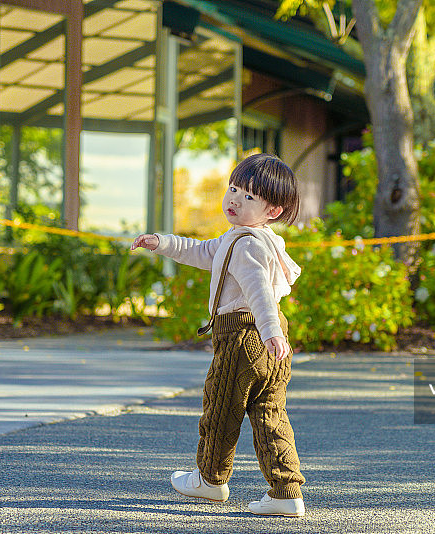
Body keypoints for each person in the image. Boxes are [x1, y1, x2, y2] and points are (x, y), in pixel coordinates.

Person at [131, 153, 306, 517]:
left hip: (244, 336)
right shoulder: (249, 239)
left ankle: (210, 479)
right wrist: (160, 242)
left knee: (221, 408)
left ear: (272, 210)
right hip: (271, 338)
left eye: (249, 197)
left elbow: (258, 289)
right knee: (270, 412)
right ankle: (286, 490)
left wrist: (269, 330)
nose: (234, 199)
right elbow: (201, 250)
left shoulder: (246, 245)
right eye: (233, 188)